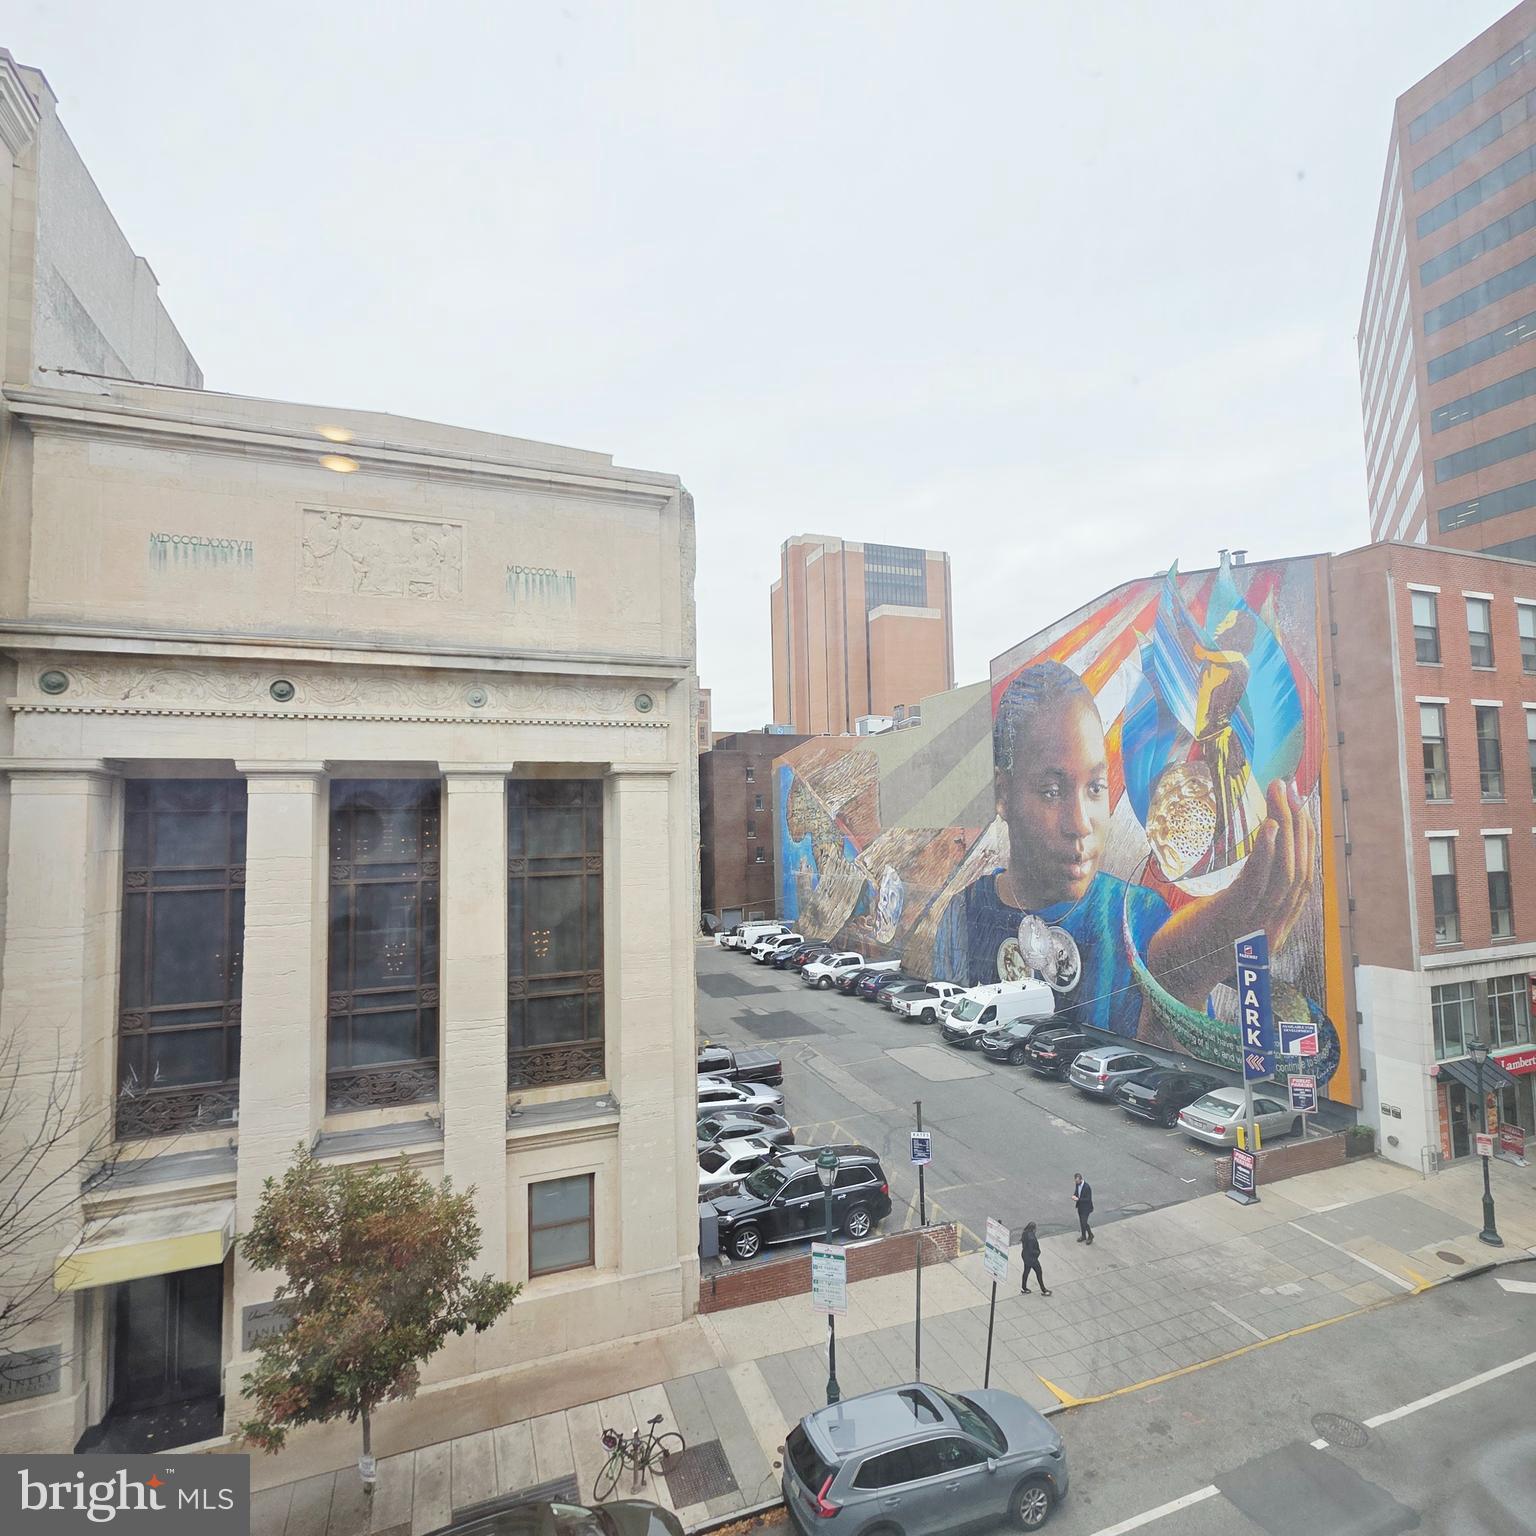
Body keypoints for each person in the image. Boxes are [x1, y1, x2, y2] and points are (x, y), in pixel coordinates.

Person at [933, 660, 1314, 1041]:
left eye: (1096, 787)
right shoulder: (963, 915)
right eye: (1052, 791)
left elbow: (1172, 1081)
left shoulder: (1144, 918)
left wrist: (1178, 983)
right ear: (1003, 795)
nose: (1081, 823)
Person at [1019, 1221, 1050, 1295]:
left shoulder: (1025, 1233)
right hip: (1031, 1259)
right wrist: (1038, 1252)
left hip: (1025, 1256)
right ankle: (1044, 1290)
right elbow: (1031, 1250)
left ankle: (1024, 1287)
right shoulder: (1032, 1238)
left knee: (1026, 1271)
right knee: (1039, 1272)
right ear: (1033, 1229)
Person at [1073, 1173, 1094, 1245]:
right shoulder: (1077, 1184)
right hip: (1080, 1207)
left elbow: (1088, 1199)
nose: (1076, 1183)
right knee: (1081, 1222)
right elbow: (1077, 1192)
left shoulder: (1087, 1187)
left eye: (1077, 1181)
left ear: (1081, 1179)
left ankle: (1090, 1235)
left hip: (1086, 1208)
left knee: (1084, 1222)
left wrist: (1078, 1199)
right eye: (1075, 1181)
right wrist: (1074, 1195)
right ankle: (1083, 1235)